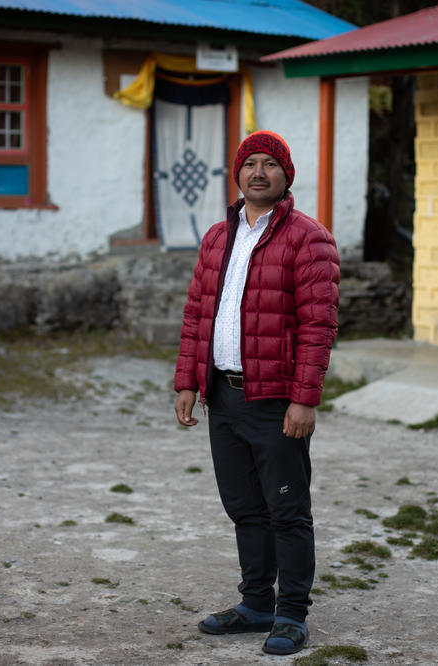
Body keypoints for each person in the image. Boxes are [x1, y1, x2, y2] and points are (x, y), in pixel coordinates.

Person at [173, 130, 340, 656]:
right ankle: (255, 605)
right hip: (222, 394)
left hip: (274, 400)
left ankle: (291, 614)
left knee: (287, 510)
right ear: (238, 174)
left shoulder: (308, 238)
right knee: (245, 507)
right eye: (251, 164)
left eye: (271, 164)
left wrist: (304, 398)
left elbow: (319, 325)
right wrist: (187, 381)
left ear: (286, 176)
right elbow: (198, 311)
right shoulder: (218, 237)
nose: (260, 172)